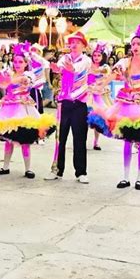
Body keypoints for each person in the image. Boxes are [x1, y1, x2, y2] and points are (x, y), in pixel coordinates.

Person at [98, 24, 140, 190]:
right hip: (127, 102)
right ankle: (125, 177)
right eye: (133, 44)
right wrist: (101, 84)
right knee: (127, 140)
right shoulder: (124, 62)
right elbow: (112, 75)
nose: (135, 47)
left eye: (138, 44)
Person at [0, 42, 56, 177]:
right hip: (8, 110)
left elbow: (26, 79)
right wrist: (6, 79)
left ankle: (28, 169)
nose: (17, 64)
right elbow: (1, 83)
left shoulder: (29, 75)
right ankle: (5, 167)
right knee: (8, 140)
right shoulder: (8, 73)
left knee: (25, 141)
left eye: (20, 61)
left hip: (24, 110)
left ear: (26, 63)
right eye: (15, 61)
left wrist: (31, 54)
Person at [45, 32, 92, 183]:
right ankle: (57, 170)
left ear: (83, 46)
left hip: (79, 104)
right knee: (61, 138)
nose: (73, 45)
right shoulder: (65, 58)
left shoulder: (86, 60)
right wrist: (55, 68)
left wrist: (66, 68)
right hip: (64, 103)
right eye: (72, 42)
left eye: (77, 43)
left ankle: (81, 172)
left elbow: (75, 69)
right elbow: (58, 68)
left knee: (79, 139)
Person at [86, 42, 113, 150]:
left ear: (103, 57)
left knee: (97, 120)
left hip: (98, 95)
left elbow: (103, 71)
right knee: (84, 119)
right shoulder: (88, 64)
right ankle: (82, 140)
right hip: (87, 94)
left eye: (99, 55)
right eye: (95, 55)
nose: (96, 57)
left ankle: (96, 142)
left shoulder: (105, 66)